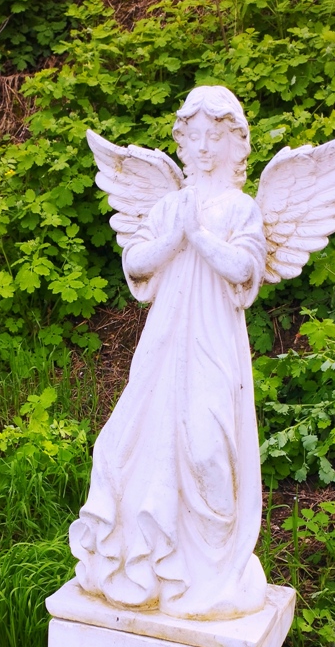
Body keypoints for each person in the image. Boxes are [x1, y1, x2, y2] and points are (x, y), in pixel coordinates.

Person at [69, 86, 269, 619]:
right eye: (195, 135)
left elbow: (245, 268)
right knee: (126, 448)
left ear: (235, 143)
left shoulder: (240, 208)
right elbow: (136, 263)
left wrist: (197, 236)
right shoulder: (168, 205)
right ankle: (150, 565)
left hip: (213, 342)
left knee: (208, 451)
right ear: (183, 141)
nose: (203, 147)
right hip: (164, 345)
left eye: (215, 136)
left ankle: (214, 572)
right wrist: (175, 235)